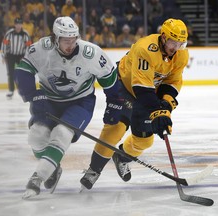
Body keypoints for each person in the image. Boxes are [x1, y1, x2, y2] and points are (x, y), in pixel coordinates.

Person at [14, 16, 123, 199]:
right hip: (49, 99)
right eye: (66, 40)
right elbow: (23, 70)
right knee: (36, 136)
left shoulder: (90, 53)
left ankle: (38, 178)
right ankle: (53, 167)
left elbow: (110, 79)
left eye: (74, 39)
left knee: (62, 133)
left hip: (80, 101)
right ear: (55, 38)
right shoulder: (42, 49)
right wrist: (32, 94)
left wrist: (115, 102)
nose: (71, 44)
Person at [80, 18, 189, 190]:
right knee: (115, 128)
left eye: (180, 43)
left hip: (146, 93)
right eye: (172, 42)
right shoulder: (145, 48)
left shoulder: (181, 55)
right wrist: (157, 111)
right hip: (124, 86)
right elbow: (142, 87)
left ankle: (121, 157)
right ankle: (94, 169)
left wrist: (166, 107)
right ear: (163, 37)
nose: (175, 48)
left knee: (144, 141)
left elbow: (172, 82)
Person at [1, 17, 31, 99]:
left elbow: (28, 47)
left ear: (22, 24)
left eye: (20, 24)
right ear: (14, 25)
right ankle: (11, 90)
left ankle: (23, 90)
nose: (18, 26)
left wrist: (25, 58)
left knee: (23, 73)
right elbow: (4, 44)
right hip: (11, 55)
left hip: (21, 56)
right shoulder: (9, 33)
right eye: (17, 24)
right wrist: (3, 55)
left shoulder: (25, 34)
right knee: (10, 73)